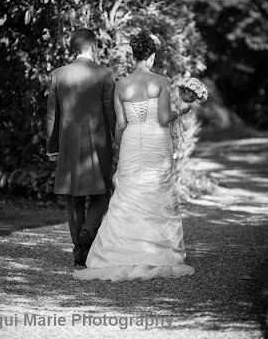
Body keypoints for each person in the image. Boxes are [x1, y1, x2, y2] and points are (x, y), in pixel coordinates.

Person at [73, 31, 195, 281]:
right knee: (155, 192)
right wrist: (181, 110)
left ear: (134, 55)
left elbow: (120, 124)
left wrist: (119, 149)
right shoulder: (161, 81)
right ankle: (154, 251)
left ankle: (120, 251)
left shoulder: (121, 84)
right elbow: (163, 118)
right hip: (155, 142)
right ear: (150, 56)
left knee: (128, 195)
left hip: (130, 141)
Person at [46, 28, 116, 266]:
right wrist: (118, 140)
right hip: (98, 146)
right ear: (93, 47)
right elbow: (110, 112)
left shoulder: (58, 74)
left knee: (73, 198)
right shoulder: (106, 74)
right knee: (102, 193)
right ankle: (88, 232)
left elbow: (51, 117)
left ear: (73, 49)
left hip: (68, 144)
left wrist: (52, 147)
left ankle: (79, 251)